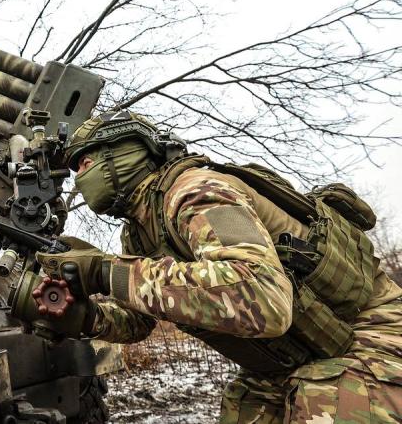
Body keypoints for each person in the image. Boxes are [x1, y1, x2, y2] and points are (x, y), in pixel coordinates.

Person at [30, 110, 402, 423]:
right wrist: (82, 314)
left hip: (369, 341)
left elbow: (262, 296)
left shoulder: (196, 191)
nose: (79, 177)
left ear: (123, 153)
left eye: (84, 162)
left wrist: (108, 271)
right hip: (295, 355)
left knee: (325, 407)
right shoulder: (139, 233)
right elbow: (139, 322)